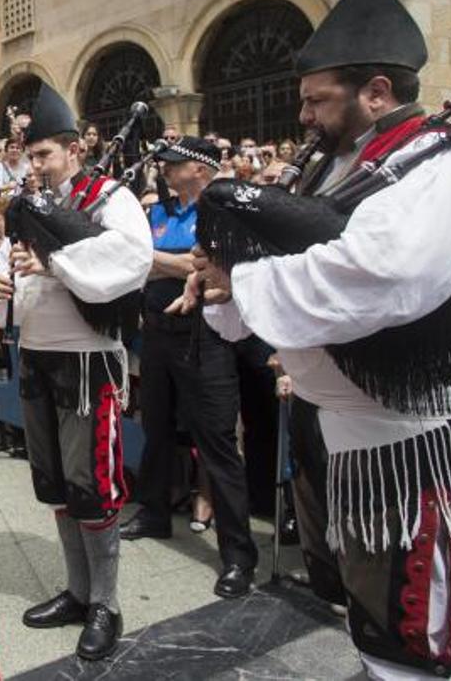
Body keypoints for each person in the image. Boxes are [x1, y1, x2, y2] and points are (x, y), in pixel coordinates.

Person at [190, 0, 451, 680]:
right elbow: (292, 250)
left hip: (407, 438)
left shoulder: (444, 167)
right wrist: (226, 279)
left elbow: (380, 274)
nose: (302, 116)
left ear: (377, 94)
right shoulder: (336, 167)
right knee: (367, 612)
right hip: (336, 422)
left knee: (417, 628)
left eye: (314, 100)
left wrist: (241, 280)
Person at [0, 84, 152, 660]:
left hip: (87, 360)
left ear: (73, 150)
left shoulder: (111, 199)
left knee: (93, 483)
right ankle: (78, 592)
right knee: (56, 481)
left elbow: (131, 262)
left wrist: (52, 262)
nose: (33, 166)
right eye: (28, 156)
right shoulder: (30, 202)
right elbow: (5, 262)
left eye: (44, 156)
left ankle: (106, 602)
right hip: (35, 352)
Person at [121, 136, 260, 599]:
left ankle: (238, 556)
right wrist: (168, 263)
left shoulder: (219, 210)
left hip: (207, 335)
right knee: (156, 426)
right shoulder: (158, 213)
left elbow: (200, 265)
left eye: (175, 164)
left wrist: (154, 259)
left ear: (201, 170)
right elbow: (150, 265)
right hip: (158, 332)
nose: (165, 170)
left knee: (216, 440)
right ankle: (155, 511)